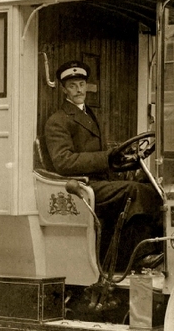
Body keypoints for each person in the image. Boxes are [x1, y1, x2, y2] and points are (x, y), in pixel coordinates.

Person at [44, 60, 162, 271]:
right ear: (63, 90)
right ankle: (139, 256)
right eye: (72, 85)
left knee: (151, 186)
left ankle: (150, 249)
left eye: (81, 84)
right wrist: (106, 158)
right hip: (82, 186)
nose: (78, 89)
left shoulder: (89, 114)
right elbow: (63, 161)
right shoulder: (58, 120)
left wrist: (121, 160)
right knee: (133, 191)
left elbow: (102, 157)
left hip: (98, 182)